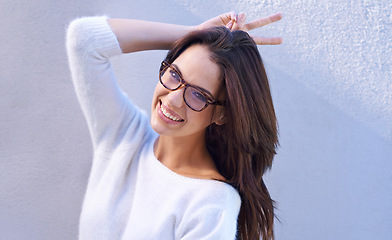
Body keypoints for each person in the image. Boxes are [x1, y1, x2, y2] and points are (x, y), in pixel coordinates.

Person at [66, 11, 282, 240]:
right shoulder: (125, 134)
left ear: (222, 114)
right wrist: (194, 34)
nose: (172, 99)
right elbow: (84, 39)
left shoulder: (211, 205)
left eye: (198, 94)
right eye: (175, 75)